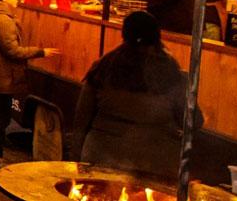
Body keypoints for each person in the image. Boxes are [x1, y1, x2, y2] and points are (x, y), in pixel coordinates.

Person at [72, 11, 189, 180]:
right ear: (157, 36)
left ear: (124, 35)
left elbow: (81, 119)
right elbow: (192, 121)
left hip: (100, 158)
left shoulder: (104, 66)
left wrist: (75, 157)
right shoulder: (171, 71)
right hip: (155, 165)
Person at [0, 0, 56, 162]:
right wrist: (40, 51)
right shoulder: (4, 20)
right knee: (0, 117)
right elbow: (12, 51)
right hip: (3, 76)